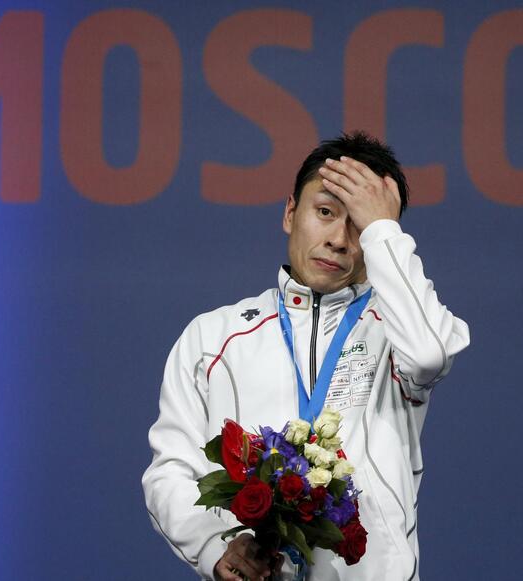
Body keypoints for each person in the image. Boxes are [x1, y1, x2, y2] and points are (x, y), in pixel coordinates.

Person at [142, 132, 470, 580]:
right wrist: (217, 547)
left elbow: (431, 355)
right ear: (290, 212)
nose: (339, 239)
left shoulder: (398, 329)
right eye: (325, 212)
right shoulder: (214, 338)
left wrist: (384, 232)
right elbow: (171, 473)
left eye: (358, 224)